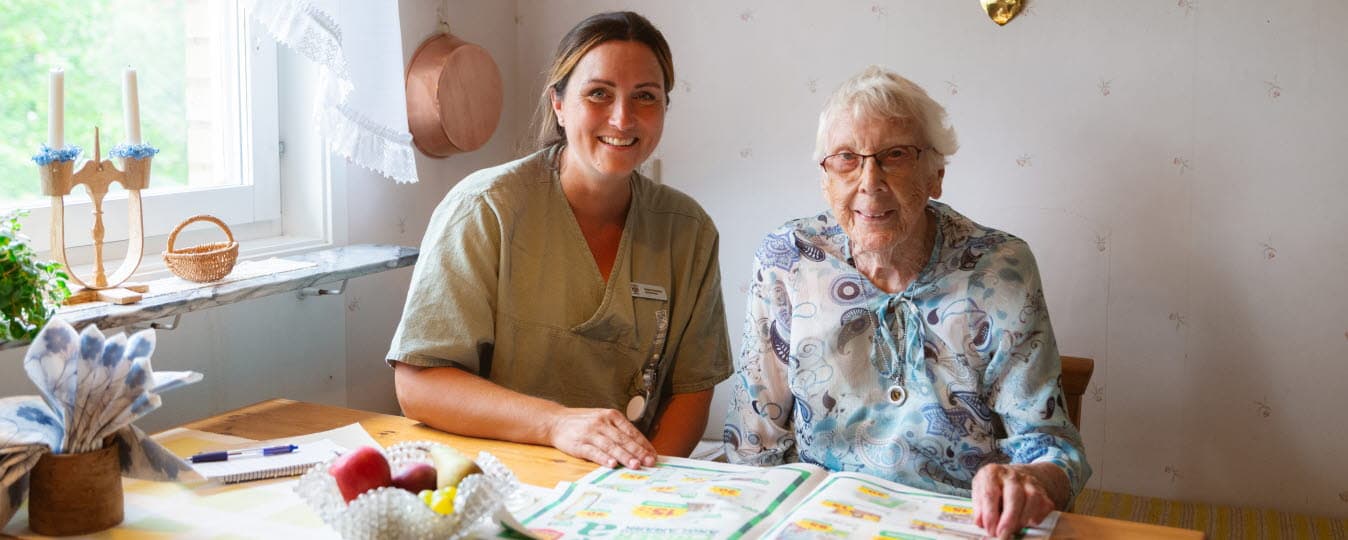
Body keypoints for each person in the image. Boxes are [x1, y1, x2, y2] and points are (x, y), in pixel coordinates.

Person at [723, 66, 1091, 538]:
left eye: (894, 155)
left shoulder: (999, 268)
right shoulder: (787, 260)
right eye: (846, 159)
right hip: (819, 522)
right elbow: (754, 445)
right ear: (825, 180)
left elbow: (1050, 447)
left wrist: (1031, 480)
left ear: (936, 174)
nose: (869, 181)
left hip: (958, 522)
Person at [388, 11, 731, 471]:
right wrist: (556, 424)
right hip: (496, 474)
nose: (622, 117)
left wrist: (644, 481)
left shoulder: (688, 231)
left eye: (645, 97)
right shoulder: (486, 208)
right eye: (598, 93)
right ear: (559, 104)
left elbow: (691, 389)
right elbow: (419, 383)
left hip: (626, 482)